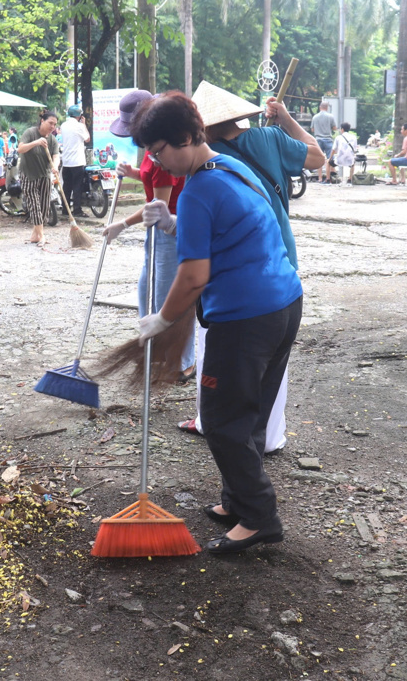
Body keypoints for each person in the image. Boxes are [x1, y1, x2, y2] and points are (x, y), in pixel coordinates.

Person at [131, 91, 303, 555]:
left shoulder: (200, 190)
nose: (156, 160)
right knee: (249, 414)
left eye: (159, 150)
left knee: (222, 421)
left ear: (186, 137)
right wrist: (171, 224)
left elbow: (193, 276)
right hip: (284, 302)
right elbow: (237, 228)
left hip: (246, 316)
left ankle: (259, 517)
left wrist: (162, 320)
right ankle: (236, 499)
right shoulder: (228, 166)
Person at [178, 81, 324, 450]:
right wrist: (288, 120)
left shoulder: (206, 163)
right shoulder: (271, 139)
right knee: (273, 358)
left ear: (202, 127)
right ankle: (269, 436)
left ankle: (218, 426)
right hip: (280, 259)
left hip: (234, 275)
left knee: (222, 354)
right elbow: (317, 156)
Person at [102, 89, 194, 381]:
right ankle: (157, 352)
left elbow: (157, 207)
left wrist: (123, 224)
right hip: (156, 233)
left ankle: (182, 362)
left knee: (168, 299)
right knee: (147, 292)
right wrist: (131, 172)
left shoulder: (163, 159)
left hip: (170, 230)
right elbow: (149, 177)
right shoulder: (153, 154)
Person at [17, 111, 60, 247]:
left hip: (45, 176)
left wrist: (55, 166)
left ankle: (35, 235)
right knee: (34, 205)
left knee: (44, 207)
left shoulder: (52, 139)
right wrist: (36, 143)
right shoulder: (30, 133)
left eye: (55, 124)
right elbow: (21, 149)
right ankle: (42, 236)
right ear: (42, 121)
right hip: (29, 175)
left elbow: (56, 156)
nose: (52, 126)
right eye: (50, 123)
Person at [58, 104, 91, 217]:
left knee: (67, 186)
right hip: (77, 161)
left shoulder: (63, 125)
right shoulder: (79, 126)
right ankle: (77, 210)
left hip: (66, 161)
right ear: (79, 115)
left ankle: (65, 209)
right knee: (77, 186)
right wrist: (84, 124)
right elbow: (87, 139)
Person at [310, 101, 337, 183]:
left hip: (318, 140)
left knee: (319, 159)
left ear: (319, 107)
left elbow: (312, 129)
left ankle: (320, 178)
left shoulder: (315, 117)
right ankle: (328, 177)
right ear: (327, 107)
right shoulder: (330, 116)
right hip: (328, 139)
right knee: (329, 159)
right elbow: (334, 128)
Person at [329, 121, 358, 186]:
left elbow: (333, 150)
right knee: (353, 164)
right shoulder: (354, 137)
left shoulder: (338, 137)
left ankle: (329, 180)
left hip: (339, 160)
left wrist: (330, 158)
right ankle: (350, 179)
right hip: (350, 160)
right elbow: (355, 149)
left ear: (342, 129)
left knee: (329, 163)